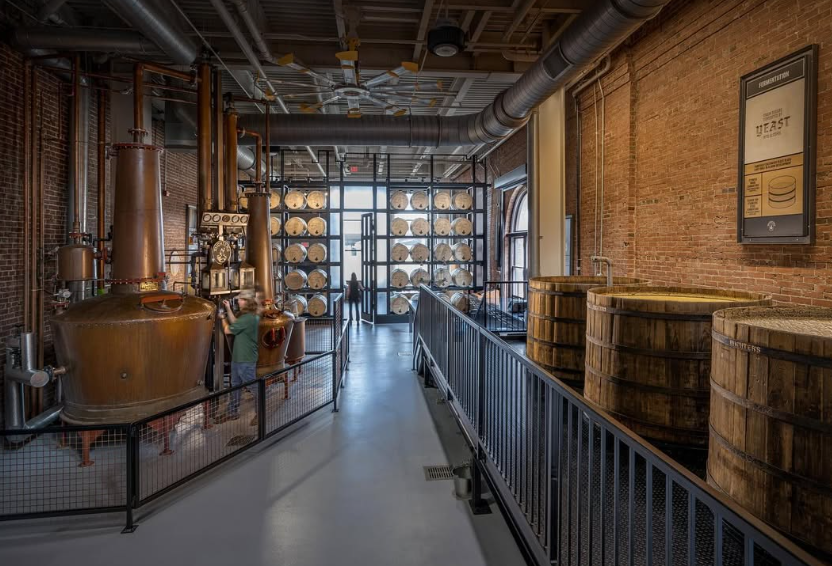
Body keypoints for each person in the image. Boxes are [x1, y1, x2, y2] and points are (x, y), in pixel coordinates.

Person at [218, 288, 260, 423]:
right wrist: (228, 308)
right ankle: (232, 412)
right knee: (235, 385)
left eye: (241, 299)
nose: (238, 301)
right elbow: (236, 323)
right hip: (238, 357)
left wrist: (222, 317)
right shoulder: (247, 317)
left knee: (253, 387)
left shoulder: (248, 318)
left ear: (247, 302)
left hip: (245, 359)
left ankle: (260, 413)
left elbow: (228, 330)